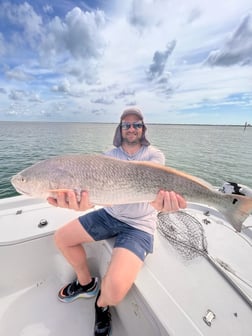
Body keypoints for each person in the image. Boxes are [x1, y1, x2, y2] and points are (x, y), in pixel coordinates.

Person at [48, 107, 187, 336]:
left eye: (137, 124)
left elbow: (152, 193)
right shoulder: (108, 157)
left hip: (139, 226)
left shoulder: (155, 156)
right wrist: (85, 201)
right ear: (120, 129)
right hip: (110, 216)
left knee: (113, 292)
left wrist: (163, 204)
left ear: (143, 129)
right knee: (62, 238)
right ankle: (86, 284)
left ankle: (101, 305)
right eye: (126, 124)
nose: (131, 128)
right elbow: (98, 192)